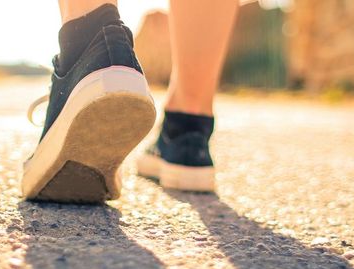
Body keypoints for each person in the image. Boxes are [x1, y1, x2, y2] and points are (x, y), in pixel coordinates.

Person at [22, 0, 239, 202]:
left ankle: (88, 38)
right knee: (188, 118)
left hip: (91, 54)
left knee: (90, 25)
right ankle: (187, 127)